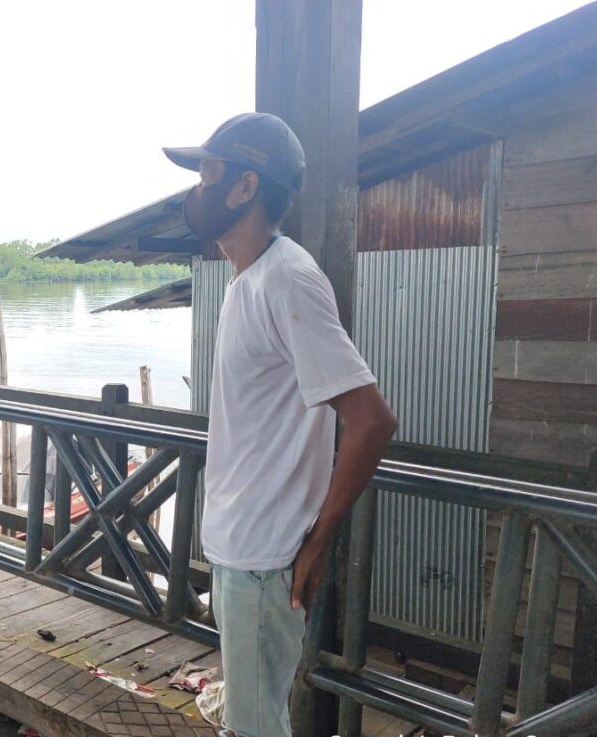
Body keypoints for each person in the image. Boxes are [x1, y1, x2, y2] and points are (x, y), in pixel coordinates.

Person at [164, 114, 397, 737]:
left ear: (243, 189)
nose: (195, 191)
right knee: (249, 720)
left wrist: (318, 540)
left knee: (257, 728)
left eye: (207, 174)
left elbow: (370, 420)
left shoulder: (289, 279)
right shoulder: (249, 278)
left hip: (266, 558)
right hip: (242, 551)